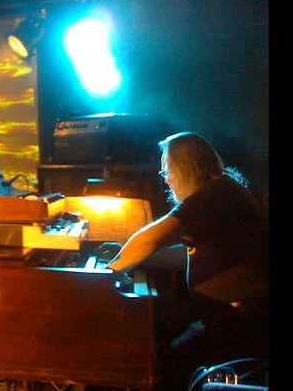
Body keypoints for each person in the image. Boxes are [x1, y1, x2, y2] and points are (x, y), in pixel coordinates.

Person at [107, 131, 269, 390]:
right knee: (160, 328)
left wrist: (110, 270)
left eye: (167, 170)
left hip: (234, 323)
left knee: (162, 363)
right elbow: (190, 254)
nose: (166, 178)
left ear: (185, 168)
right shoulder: (223, 188)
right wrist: (138, 261)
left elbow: (150, 239)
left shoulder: (210, 197)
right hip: (227, 314)